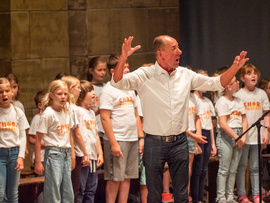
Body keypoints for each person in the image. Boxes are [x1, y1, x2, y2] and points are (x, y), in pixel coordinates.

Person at [110, 35, 249, 203]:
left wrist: (235, 67)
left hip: (179, 142)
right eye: (174, 48)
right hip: (154, 142)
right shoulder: (144, 74)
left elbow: (216, 83)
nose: (180, 51)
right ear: (160, 53)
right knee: (153, 195)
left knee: (182, 195)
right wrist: (124, 57)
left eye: (178, 47)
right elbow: (117, 82)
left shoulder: (185, 74)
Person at [100, 54, 144, 203]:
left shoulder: (130, 88)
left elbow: (136, 114)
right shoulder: (108, 90)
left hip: (132, 138)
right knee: (115, 178)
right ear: (114, 71)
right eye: (123, 67)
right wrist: (113, 143)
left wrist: (141, 137)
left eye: (127, 67)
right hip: (118, 138)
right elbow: (105, 117)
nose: (127, 70)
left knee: (127, 177)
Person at [34, 80, 76, 203]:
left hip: (66, 153)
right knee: (54, 191)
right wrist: (38, 161)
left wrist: (72, 155)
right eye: (59, 94)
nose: (63, 97)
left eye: (65, 94)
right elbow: (38, 138)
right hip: (54, 153)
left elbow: (69, 134)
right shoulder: (48, 114)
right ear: (52, 95)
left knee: (68, 192)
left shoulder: (67, 111)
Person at [235, 64, 270, 203]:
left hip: (257, 135)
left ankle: (256, 195)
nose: (253, 76)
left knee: (256, 167)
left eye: (255, 73)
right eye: (249, 74)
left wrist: (266, 131)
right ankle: (242, 195)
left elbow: (266, 113)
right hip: (244, 136)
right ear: (243, 78)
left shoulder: (261, 93)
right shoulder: (238, 95)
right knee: (242, 166)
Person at [215, 76, 248, 203]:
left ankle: (230, 196)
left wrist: (243, 135)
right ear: (228, 86)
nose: (238, 82)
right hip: (227, 136)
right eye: (235, 81)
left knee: (233, 169)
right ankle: (221, 197)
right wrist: (237, 137)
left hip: (239, 134)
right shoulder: (222, 101)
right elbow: (223, 124)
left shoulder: (239, 100)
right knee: (224, 169)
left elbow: (244, 119)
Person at [60, 75, 90, 202]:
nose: (80, 90)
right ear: (71, 89)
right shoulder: (73, 109)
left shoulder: (64, 107)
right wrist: (85, 152)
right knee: (73, 189)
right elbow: (76, 134)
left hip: (66, 152)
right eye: (78, 88)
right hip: (74, 152)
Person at [0, 77, 29, 202]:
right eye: (0, 92)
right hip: (0, 154)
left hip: (14, 154)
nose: (4, 94)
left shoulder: (18, 112)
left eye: (7, 91)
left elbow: (22, 135)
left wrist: (20, 156)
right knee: (0, 193)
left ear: (12, 92)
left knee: (13, 193)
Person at [191, 69, 217, 203]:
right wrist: (196, 138)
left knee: (203, 169)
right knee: (197, 169)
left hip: (207, 133)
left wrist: (213, 143)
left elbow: (211, 124)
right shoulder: (193, 99)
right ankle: (195, 198)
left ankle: (201, 198)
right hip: (197, 134)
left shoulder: (207, 101)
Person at [76, 80, 103, 203]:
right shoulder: (77, 111)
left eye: (93, 90)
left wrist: (100, 153)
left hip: (93, 156)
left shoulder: (91, 112)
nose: (93, 93)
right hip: (83, 156)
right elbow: (77, 134)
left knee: (91, 189)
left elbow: (95, 134)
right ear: (81, 94)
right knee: (81, 190)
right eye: (89, 91)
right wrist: (84, 153)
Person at [186, 92, 206, 202]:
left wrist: (198, 133)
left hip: (192, 135)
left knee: (189, 168)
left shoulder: (193, 97)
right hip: (181, 135)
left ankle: (186, 196)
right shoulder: (177, 94)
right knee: (180, 168)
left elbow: (197, 117)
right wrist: (194, 136)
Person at [87, 56, 108, 144]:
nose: (102, 73)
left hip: (106, 129)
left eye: (104, 70)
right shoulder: (87, 88)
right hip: (94, 129)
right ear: (91, 71)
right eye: (99, 70)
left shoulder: (107, 87)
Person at [28, 89, 47, 168]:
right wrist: (45, 144)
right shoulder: (37, 118)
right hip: (41, 157)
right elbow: (31, 139)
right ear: (40, 106)